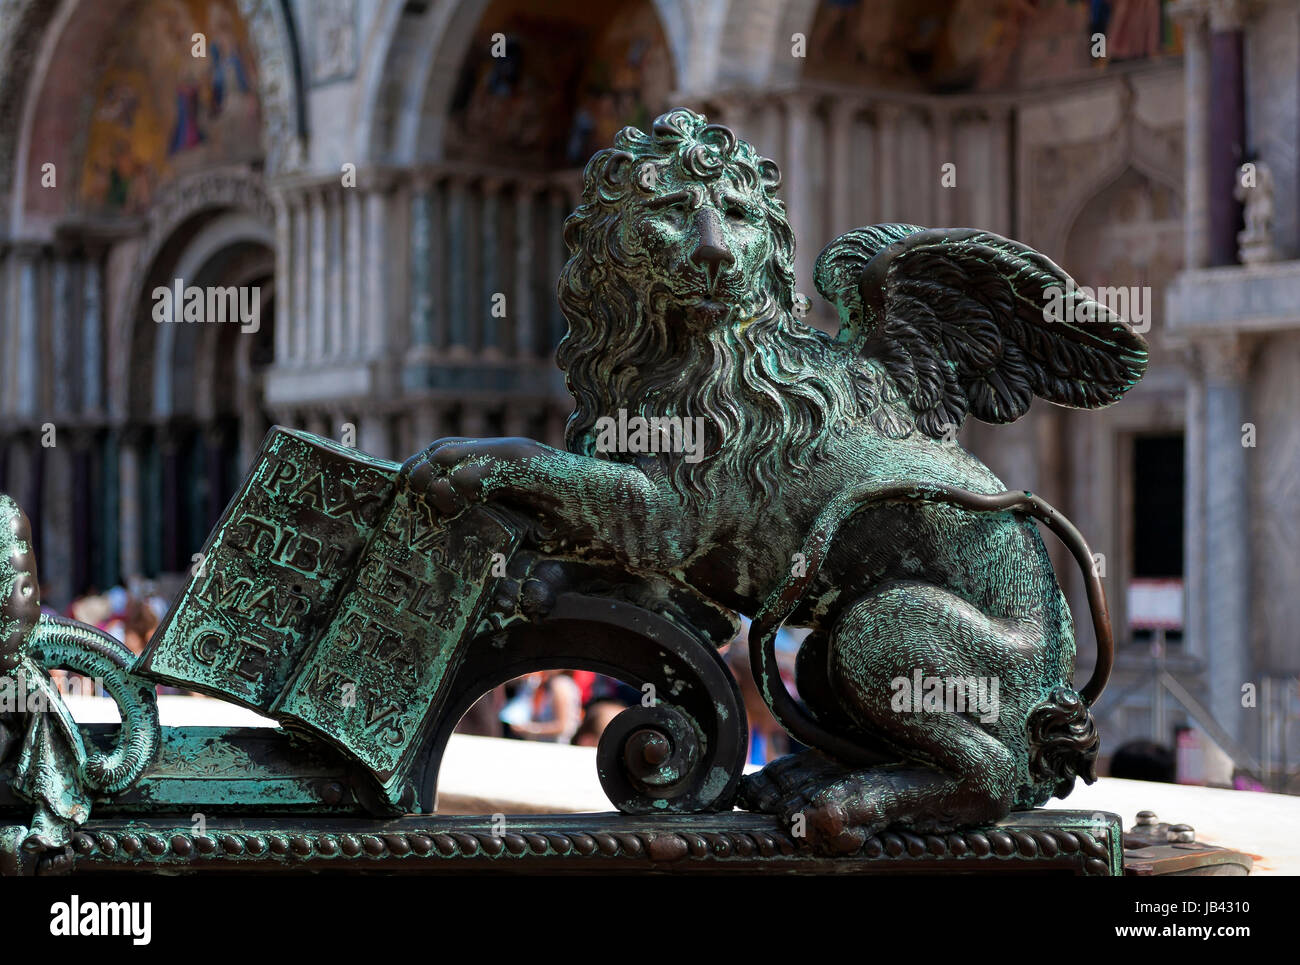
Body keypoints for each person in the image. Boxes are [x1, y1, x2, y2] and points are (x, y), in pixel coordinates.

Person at [499, 671, 582, 744]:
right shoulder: (550, 683)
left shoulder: (560, 684)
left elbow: (562, 726)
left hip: (553, 747)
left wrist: (528, 728)